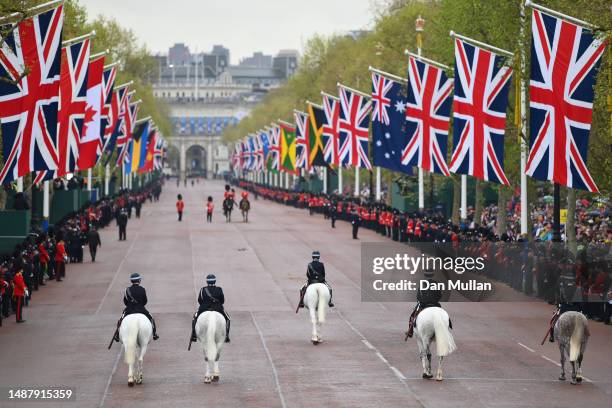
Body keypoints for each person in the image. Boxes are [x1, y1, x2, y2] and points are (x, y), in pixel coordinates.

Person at [113, 273, 159, 342]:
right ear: (139, 280)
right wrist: (140, 305)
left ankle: (117, 335)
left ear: (131, 281)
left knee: (120, 320)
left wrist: (130, 305)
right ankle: (154, 334)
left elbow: (125, 302)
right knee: (151, 318)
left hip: (129, 309)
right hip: (141, 309)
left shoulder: (127, 290)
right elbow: (145, 301)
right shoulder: (142, 289)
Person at [190, 274, 230, 343]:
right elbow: (222, 301)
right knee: (228, 319)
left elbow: (200, 300)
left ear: (207, 282)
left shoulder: (202, 289)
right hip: (218, 308)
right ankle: (226, 335)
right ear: (215, 281)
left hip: (204, 308)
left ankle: (194, 335)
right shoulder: (219, 289)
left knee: (194, 318)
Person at [405, 269, 444, 338]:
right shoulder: (436, 283)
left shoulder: (422, 283)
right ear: (433, 275)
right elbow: (439, 295)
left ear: (425, 275)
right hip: (435, 304)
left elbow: (419, 296)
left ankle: (410, 332)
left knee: (412, 316)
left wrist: (420, 300)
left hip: (424, 304)